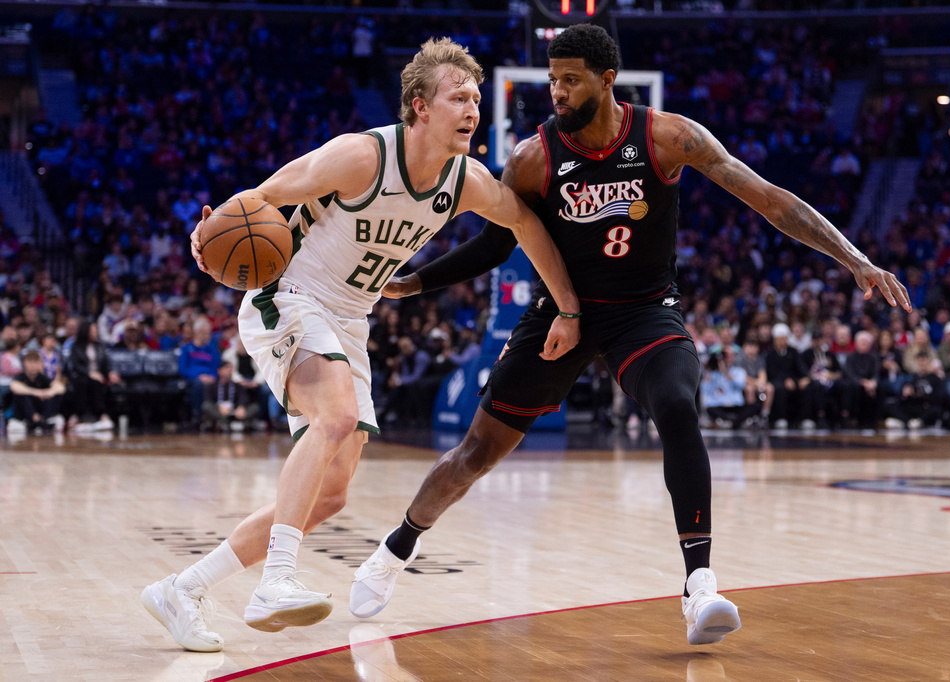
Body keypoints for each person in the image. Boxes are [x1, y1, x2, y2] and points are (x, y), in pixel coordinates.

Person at [350, 24, 910, 647]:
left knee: (677, 405)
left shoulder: (669, 137)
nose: (557, 91)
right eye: (554, 79)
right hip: (563, 311)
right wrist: (416, 282)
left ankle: (700, 586)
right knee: (477, 453)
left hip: (644, 311)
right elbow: (495, 243)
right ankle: (395, 548)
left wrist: (854, 257)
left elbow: (769, 200)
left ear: (607, 80)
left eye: (570, 80)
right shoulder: (534, 158)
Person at [141, 37, 580, 653]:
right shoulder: (361, 156)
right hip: (290, 293)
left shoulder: (466, 181)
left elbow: (526, 225)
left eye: (476, 99)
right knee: (337, 417)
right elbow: (265, 196)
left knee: (331, 495)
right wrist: (208, 232)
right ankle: (275, 581)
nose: (473, 110)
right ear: (420, 106)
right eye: (458, 98)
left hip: (350, 319)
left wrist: (568, 306)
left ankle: (181, 590)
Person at [7, 350, 65, 434]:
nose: (33, 365)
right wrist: (37, 393)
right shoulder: (20, 377)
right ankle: (35, 419)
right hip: (24, 414)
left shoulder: (42, 377)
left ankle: (43, 419)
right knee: (22, 395)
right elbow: (14, 386)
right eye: (30, 362)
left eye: (35, 362)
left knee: (54, 395)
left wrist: (49, 392)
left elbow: (60, 388)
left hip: (40, 411)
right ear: (24, 363)